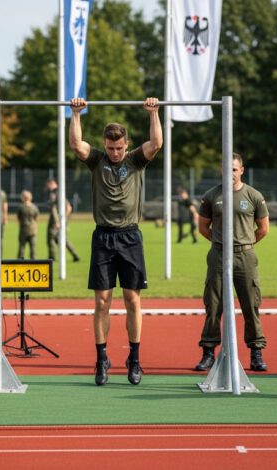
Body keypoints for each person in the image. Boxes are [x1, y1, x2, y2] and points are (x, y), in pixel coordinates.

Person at [69, 96, 162, 386]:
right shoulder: (97, 160)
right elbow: (76, 144)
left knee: (132, 299)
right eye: (111, 148)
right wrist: (76, 113)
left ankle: (134, 358)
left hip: (130, 236)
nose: (115, 152)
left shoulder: (135, 160)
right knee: (102, 300)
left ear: (126, 144)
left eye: (119, 147)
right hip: (103, 236)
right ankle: (101, 359)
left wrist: (153, 113)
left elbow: (156, 143)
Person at [194, 153, 270, 372]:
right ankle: (208, 352)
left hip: (245, 256)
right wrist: (222, 244)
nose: (231, 174)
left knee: (251, 305)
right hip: (218, 255)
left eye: (234, 169)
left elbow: (263, 228)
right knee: (213, 305)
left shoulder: (253, 195)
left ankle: (256, 353)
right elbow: (203, 228)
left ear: (242, 170)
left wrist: (244, 244)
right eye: (226, 169)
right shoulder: (211, 196)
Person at [46, 177, 80, 262]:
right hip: (61, 219)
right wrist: (64, 219)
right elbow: (68, 207)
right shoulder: (60, 192)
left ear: (51, 184)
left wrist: (59, 221)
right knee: (61, 239)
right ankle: (75, 254)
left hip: (55, 220)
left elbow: (56, 208)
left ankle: (52, 258)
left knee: (50, 238)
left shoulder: (54, 193)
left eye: (48, 185)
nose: (48, 187)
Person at [16, 190, 39, 259]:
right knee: (33, 247)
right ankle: (34, 260)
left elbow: (18, 218)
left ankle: (20, 260)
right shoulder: (34, 207)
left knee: (22, 246)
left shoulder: (21, 207)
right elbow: (36, 218)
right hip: (32, 230)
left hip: (23, 229)